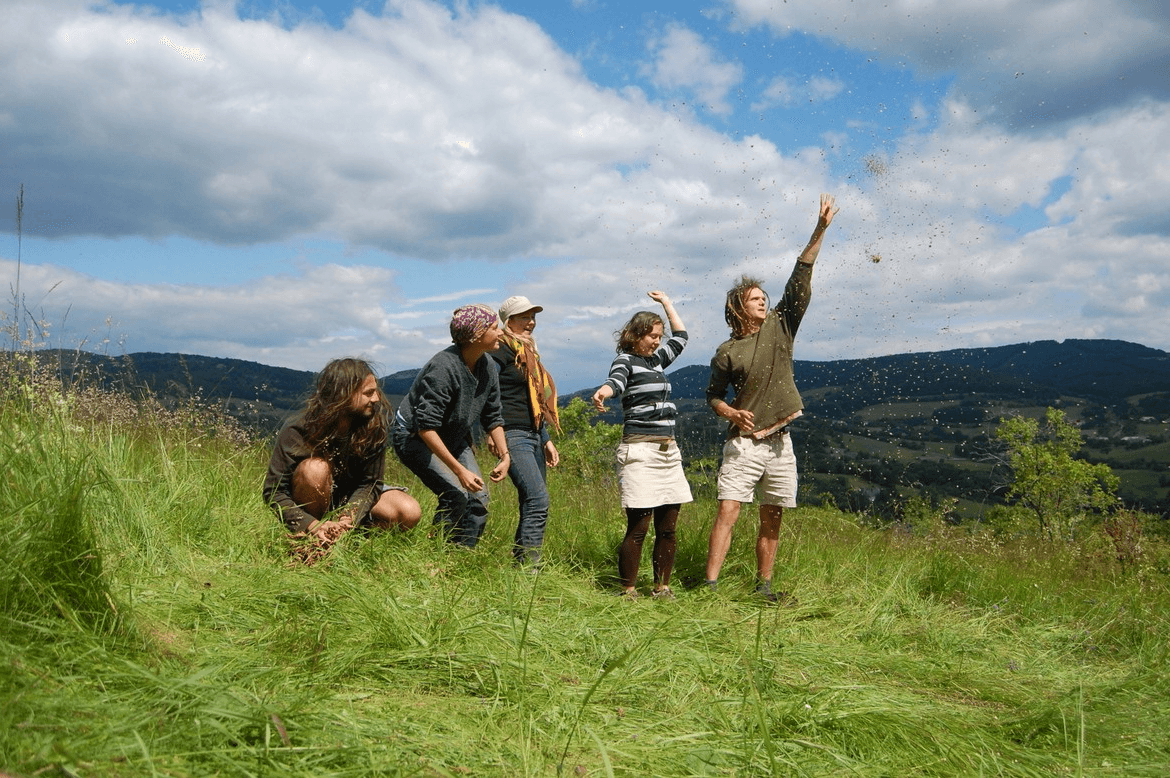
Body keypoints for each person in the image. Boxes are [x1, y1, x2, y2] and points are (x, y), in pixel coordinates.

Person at [703, 193, 839, 602]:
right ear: (740, 309)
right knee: (728, 510)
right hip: (743, 445)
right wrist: (728, 409)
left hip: (781, 442)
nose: (763, 301)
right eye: (755, 299)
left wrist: (820, 229)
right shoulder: (727, 351)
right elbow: (712, 395)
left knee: (772, 516)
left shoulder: (782, 324)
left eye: (765, 297)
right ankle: (709, 587)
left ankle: (763, 587)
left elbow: (802, 273)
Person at [263, 357, 422, 559]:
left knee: (408, 510)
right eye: (368, 393)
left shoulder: (372, 425)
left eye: (375, 391)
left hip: (351, 499)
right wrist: (312, 525)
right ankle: (314, 542)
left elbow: (371, 483)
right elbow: (274, 493)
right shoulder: (297, 430)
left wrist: (348, 518)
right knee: (314, 469)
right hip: (312, 504)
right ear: (343, 396)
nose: (376, 399)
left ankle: (349, 541)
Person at [592, 291, 692, 599]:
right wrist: (604, 392)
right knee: (640, 526)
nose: (657, 342)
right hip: (640, 451)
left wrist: (667, 304)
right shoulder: (626, 360)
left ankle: (662, 588)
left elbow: (682, 336)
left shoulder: (657, 360)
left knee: (669, 527)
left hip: (668, 452)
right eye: (651, 336)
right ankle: (629, 590)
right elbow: (617, 381)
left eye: (659, 336)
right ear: (635, 336)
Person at [392, 304, 511, 547]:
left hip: (452, 435)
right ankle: (435, 555)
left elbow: (493, 416)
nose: (500, 332)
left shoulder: (487, 366)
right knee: (456, 495)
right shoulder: (444, 367)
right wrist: (459, 470)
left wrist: (505, 456)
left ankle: (459, 557)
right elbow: (425, 426)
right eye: (493, 327)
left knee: (479, 498)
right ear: (476, 335)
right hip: (414, 436)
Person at [488, 295, 561, 568]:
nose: (531, 322)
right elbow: (488, 394)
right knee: (538, 498)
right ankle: (530, 567)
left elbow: (536, 402)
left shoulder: (528, 352)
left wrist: (546, 439)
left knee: (532, 501)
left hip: (533, 434)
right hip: (512, 434)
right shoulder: (499, 352)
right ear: (508, 321)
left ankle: (521, 563)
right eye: (524, 317)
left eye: (533, 317)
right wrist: (492, 432)